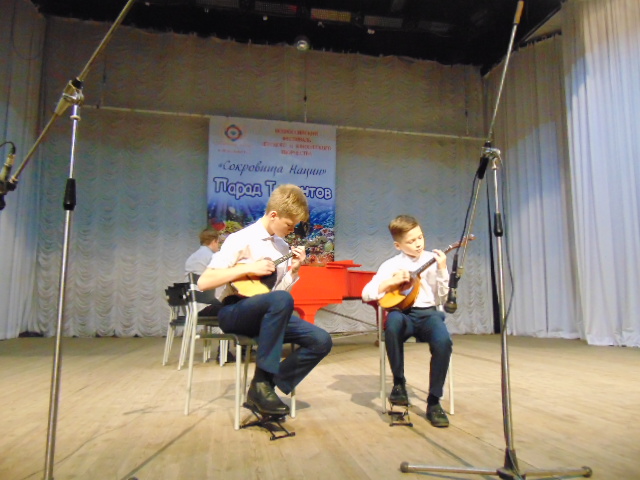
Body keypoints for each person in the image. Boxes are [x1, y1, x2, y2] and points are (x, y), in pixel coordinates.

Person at [197, 184, 333, 417]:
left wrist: (294, 271)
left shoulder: (281, 246)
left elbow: (275, 295)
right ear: (273, 215)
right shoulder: (240, 239)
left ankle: (265, 385)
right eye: (289, 225)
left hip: (265, 313)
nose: (291, 230)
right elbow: (205, 282)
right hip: (235, 311)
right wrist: (248, 268)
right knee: (280, 300)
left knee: (321, 340)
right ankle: (261, 386)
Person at [361, 214, 452, 428]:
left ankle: (434, 401)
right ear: (398, 245)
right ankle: (399, 383)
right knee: (392, 324)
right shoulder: (391, 265)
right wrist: (390, 282)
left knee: (444, 342)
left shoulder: (433, 260)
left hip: (428, 314)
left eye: (420, 237)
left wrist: (442, 269)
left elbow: (443, 298)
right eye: (411, 241)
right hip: (402, 314)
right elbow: (366, 293)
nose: (418, 243)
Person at [185, 226, 223, 316]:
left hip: (193, 305)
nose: (219, 245)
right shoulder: (212, 257)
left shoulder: (192, 257)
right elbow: (221, 279)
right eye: (218, 242)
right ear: (214, 241)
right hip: (206, 306)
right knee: (235, 308)